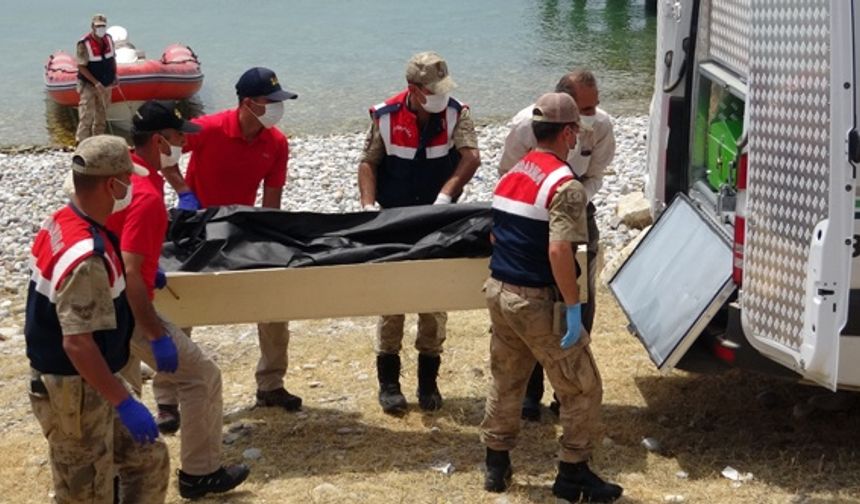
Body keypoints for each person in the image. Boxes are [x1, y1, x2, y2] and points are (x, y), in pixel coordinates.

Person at [481, 93, 622, 502]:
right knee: (582, 388)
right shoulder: (566, 186)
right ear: (566, 132)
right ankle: (573, 473)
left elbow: (496, 233)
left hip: (499, 291)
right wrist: (573, 305)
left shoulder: (513, 173)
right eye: (576, 128)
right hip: (536, 300)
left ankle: (496, 463)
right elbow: (560, 250)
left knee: (507, 379)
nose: (578, 135)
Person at [105, 101, 250, 499]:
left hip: (104, 296)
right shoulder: (148, 194)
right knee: (201, 376)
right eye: (177, 138)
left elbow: (111, 237)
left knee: (122, 384)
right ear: (158, 141)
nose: (184, 143)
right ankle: (200, 474)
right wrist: (154, 333)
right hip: (121, 301)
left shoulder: (120, 174)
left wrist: (147, 270)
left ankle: (116, 474)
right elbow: (132, 273)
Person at [25, 135, 169, 502]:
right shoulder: (86, 258)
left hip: (97, 379)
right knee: (86, 490)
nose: (132, 188)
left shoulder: (60, 219)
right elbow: (76, 342)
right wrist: (123, 400)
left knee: (147, 460)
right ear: (112, 185)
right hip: (75, 391)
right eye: (128, 179)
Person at [157, 67, 302, 419]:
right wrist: (184, 193)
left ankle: (270, 384)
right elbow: (163, 153)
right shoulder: (207, 128)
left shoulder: (276, 142)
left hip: (244, 228)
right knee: (181, 308)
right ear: (249, 103)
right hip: (197, 226)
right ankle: (167, 398)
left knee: (272, 302)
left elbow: (272, 199)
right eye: (272, 102)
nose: (278, 109)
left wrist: (271, 239)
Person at [357, 51, 481, 415]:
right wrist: (368, 208)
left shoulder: (458, 112)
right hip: (393, 216)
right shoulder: (385, 115)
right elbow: (368, 162)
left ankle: (428, 381)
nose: (442, 95)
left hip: (438, 217)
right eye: (433, 89)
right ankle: (389, 383)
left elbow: (471, 157)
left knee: (433, 298)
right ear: (413, 88)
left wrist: (446, 195)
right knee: (391, 300)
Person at [500, 69, 616, 421]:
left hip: (577, 203)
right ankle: (530, 395)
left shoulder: (603, 126)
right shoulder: (525, 126)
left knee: (581, 298)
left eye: (595, 106)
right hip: (536, 210)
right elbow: (511, 174)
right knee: (538, 298)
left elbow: (595, 174)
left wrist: (575, 197)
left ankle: (567, 392)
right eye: (586, 109)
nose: (592, 115)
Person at [75, 14, 118, 144]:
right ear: (92, 27)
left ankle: (98, 141)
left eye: (103, 26)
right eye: (98, 26)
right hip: (88, 84)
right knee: (86, 115)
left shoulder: (109, 39)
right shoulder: (84, 43)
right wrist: (96, 83)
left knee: (102, 114)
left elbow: (112, 59)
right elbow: (81, 66)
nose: (101, 28)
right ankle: (81, 142)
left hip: (106, 83)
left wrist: (115, 75)